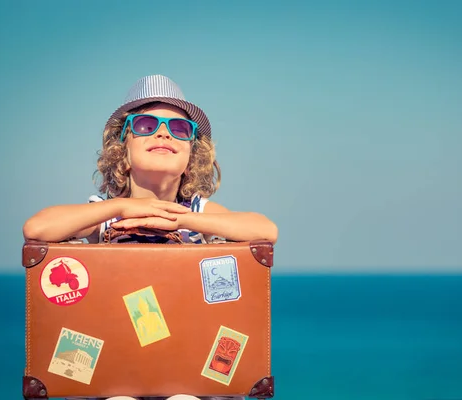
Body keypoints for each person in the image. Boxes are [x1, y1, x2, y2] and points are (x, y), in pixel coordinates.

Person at [23, 74, 278, 400]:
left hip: (188, 371)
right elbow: (37, 228)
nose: (162, 132)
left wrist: (182, 218)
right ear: (123, 153)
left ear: (191, 159)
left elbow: (266, 230)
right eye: (145, 125)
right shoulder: (106, 214)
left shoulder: (198, 212)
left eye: (179, 129)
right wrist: (124, 207)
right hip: (116, 371)